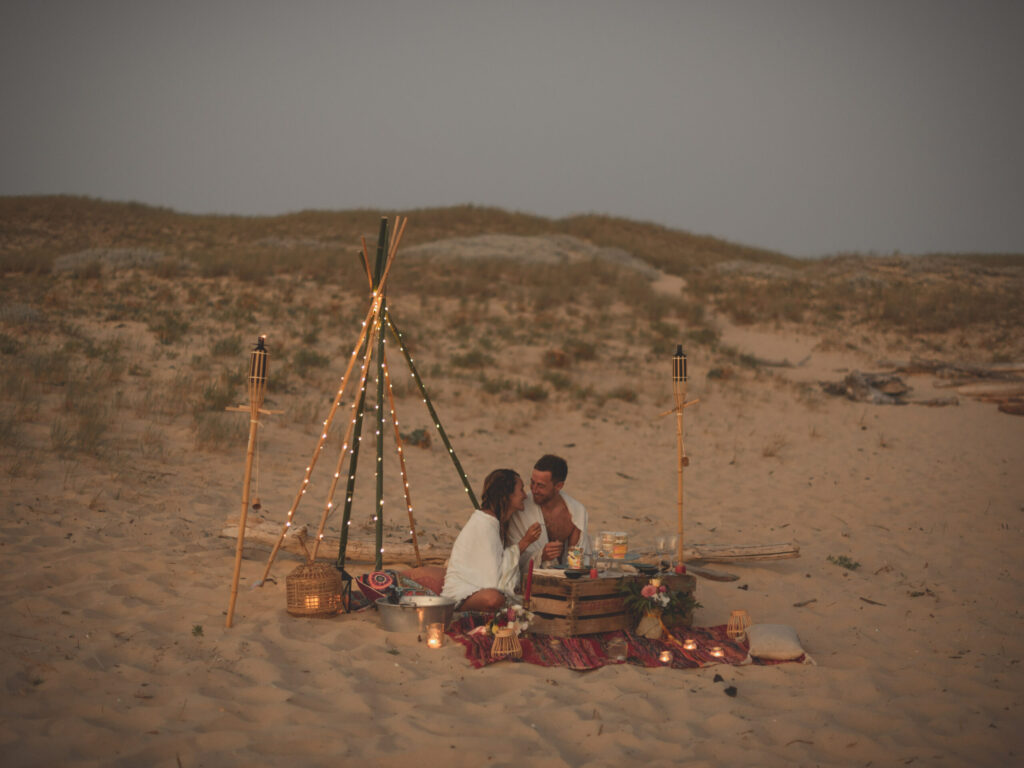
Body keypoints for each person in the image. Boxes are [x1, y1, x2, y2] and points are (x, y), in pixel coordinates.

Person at [441, 469, 542, 611]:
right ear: (507, 495)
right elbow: (492, 579)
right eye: (521, 490)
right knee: (494, 599)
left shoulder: (495, 522)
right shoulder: (485, 523)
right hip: (462, 594)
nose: (525, 496)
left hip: (478, 590)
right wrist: (525, 542)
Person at [508, 454, 588, 573]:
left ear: (559, 486)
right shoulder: (521, 508)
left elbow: (576, 557)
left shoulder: (575, 513)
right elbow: (509, 557)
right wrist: (542, 556)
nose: (534, 490)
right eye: (532, 482)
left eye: (540, 485)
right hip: (528, 579)